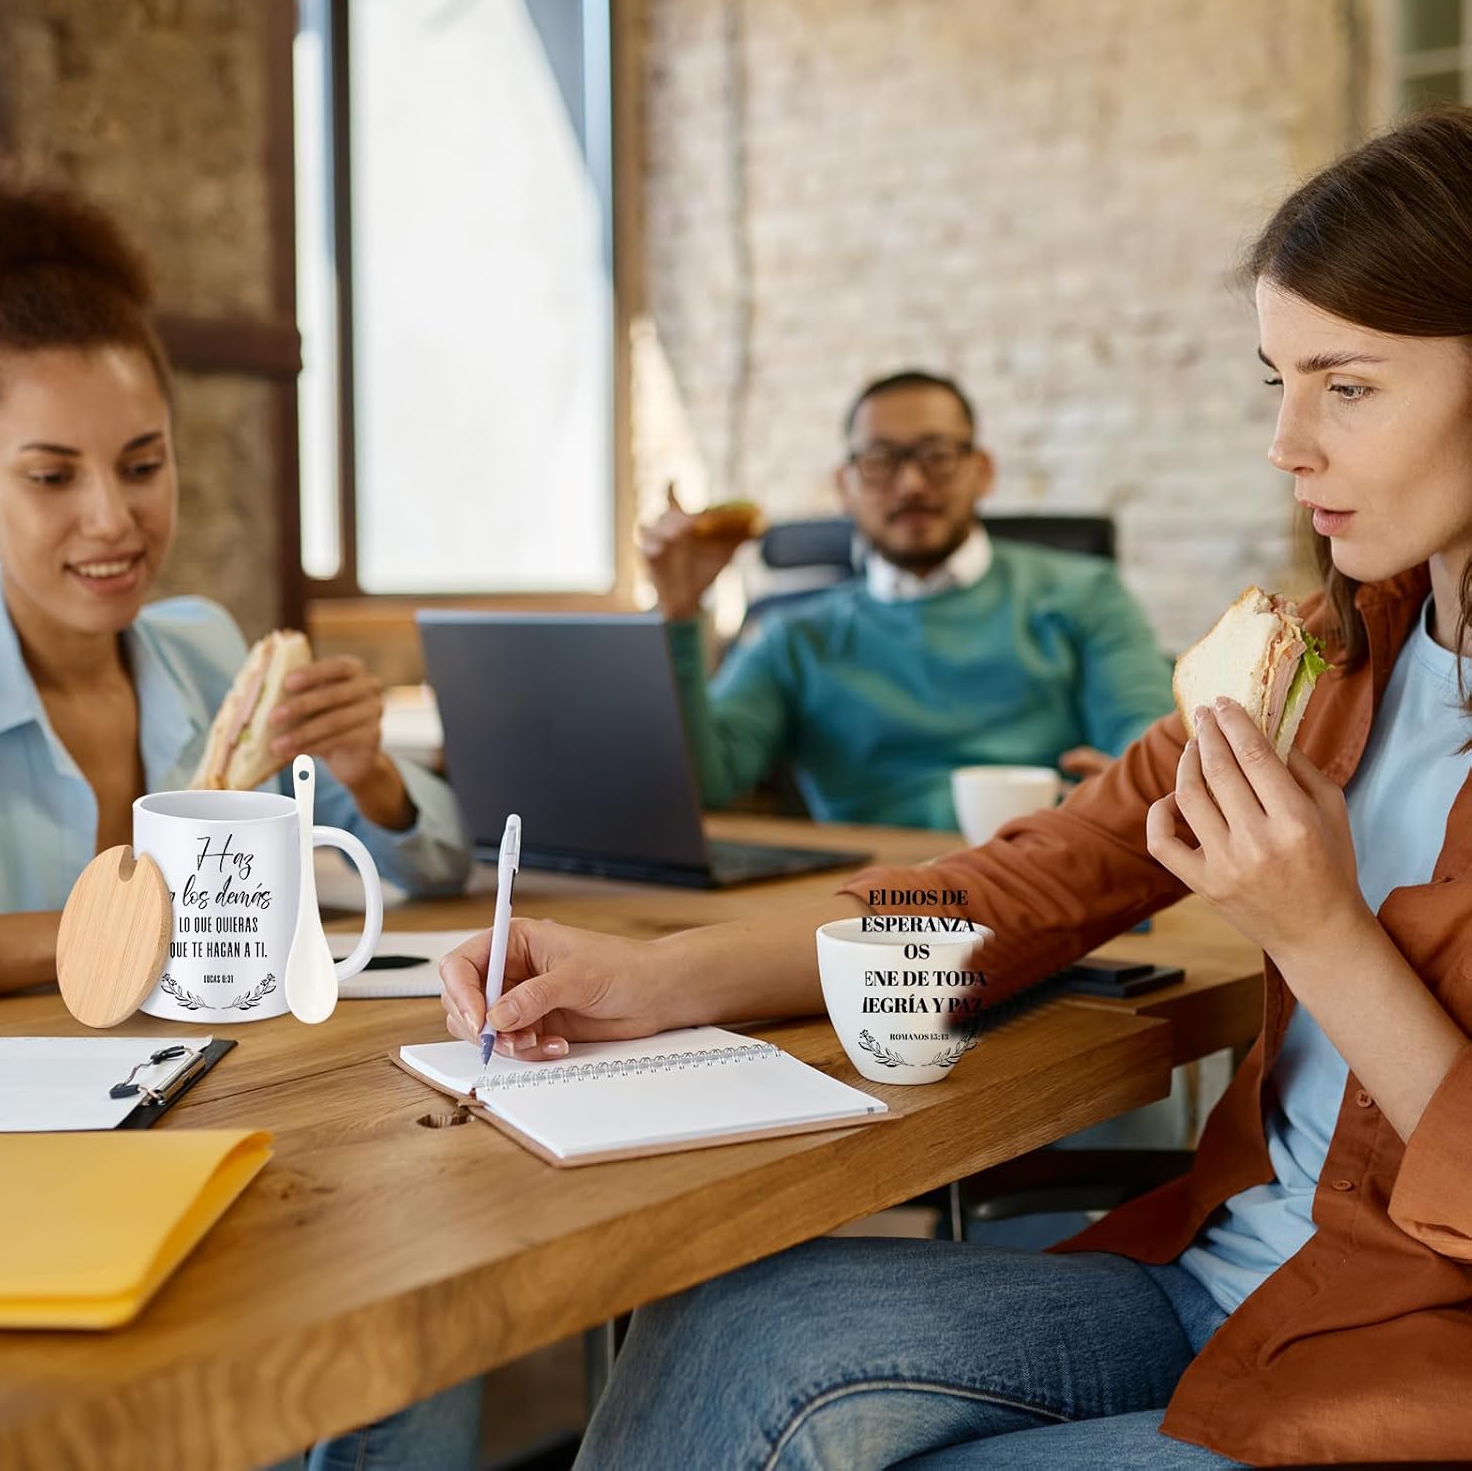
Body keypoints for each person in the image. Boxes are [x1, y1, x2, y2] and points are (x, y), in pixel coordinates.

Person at [440, 108, 1472, 1466]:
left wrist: (1323, 935)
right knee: (729, 1323)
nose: (1287, 444)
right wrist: (653, 977)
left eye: (1347, 386)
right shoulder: (1323, 665)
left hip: (1403, 1371)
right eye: (1272, 382)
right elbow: (1028, 881)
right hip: (1226, 1279)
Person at [0, 169, 481, 1470]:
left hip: (247, 1126)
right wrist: (105, 933)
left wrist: (368, 776)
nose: (113, 519)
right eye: (51, 476)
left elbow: (425, 871)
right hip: (19, 1196)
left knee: (421, 1307)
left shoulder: (204, 651)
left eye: (144, 465)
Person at [642, 370, 1174, 829]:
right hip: (859, 904)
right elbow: (704, 784)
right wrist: (679, 615)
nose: (912, 483)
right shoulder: (793, 637)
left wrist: (1129, 788)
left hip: (1037, 875)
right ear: (845, 485)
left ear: (981, 471)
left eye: (937, 456)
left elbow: (1143, 736)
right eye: (880, 460)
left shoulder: (1086, 593)